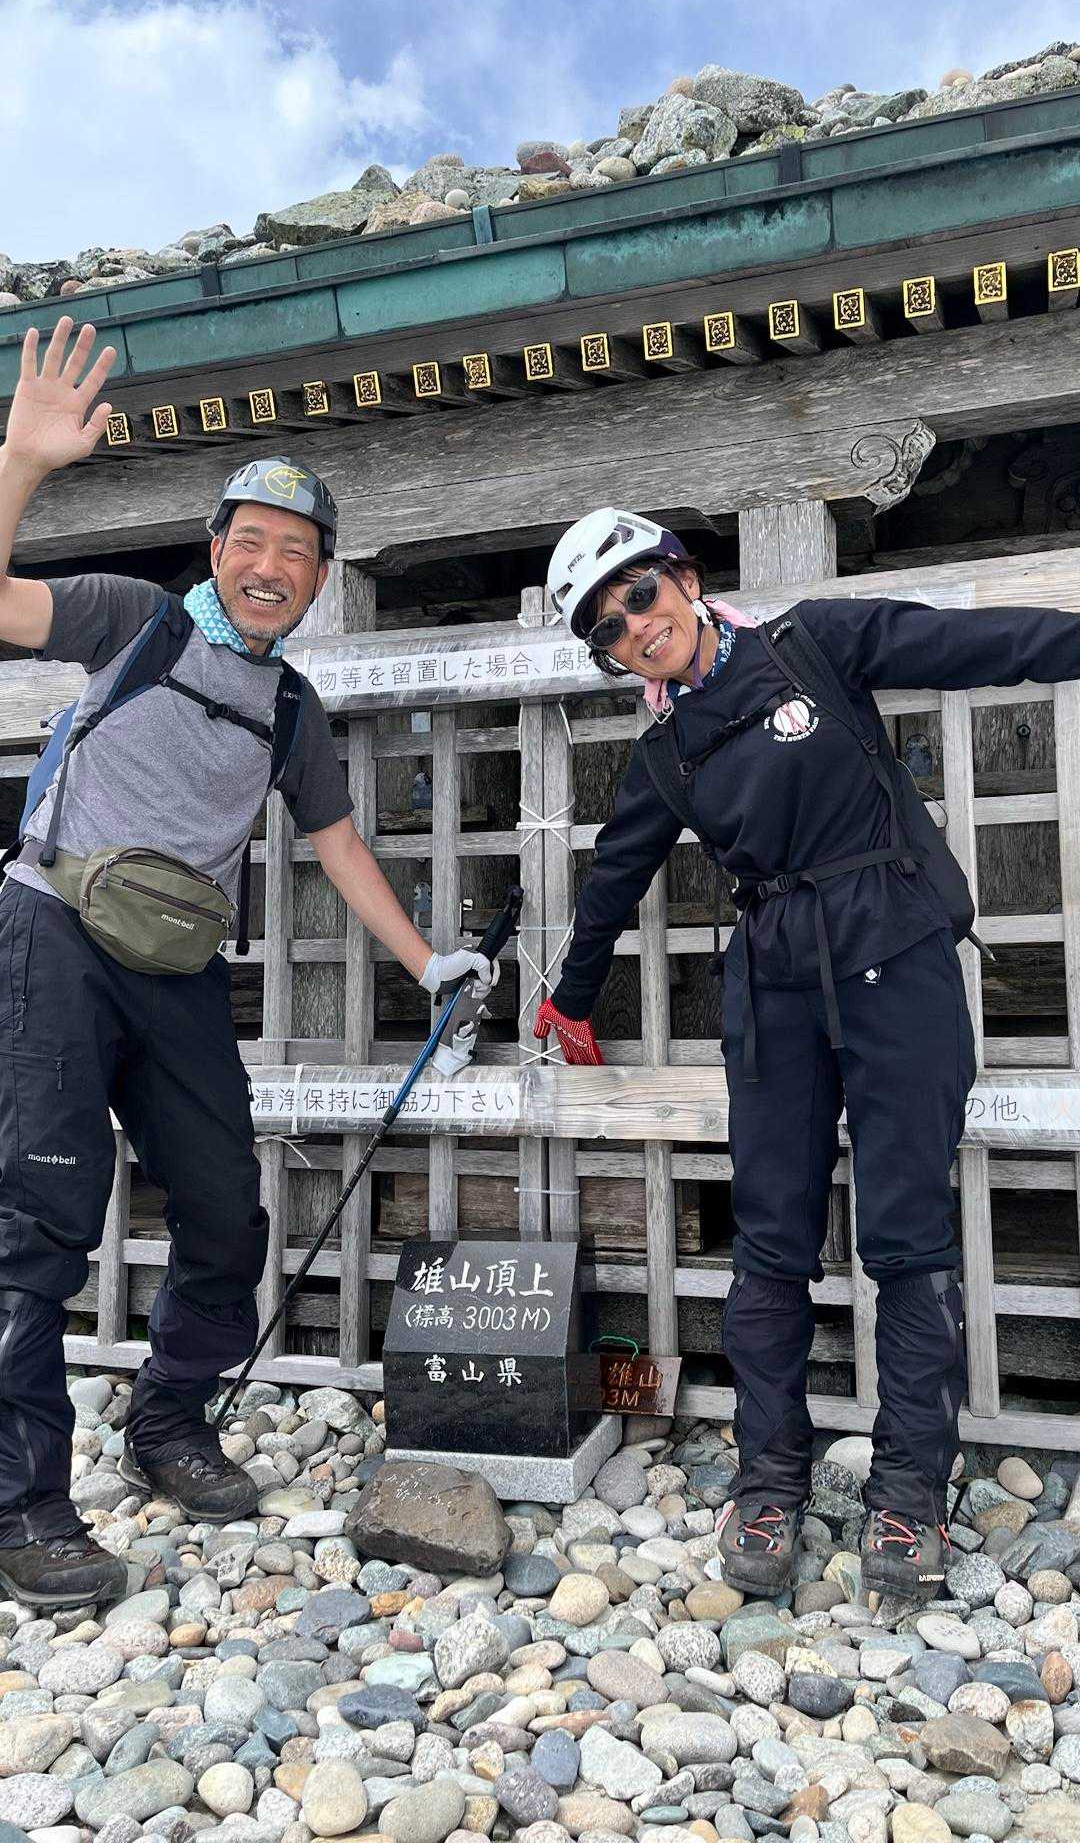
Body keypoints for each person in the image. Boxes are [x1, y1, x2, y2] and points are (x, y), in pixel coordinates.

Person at [0, 319, 493, 1607]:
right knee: (40, 1218)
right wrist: (22, 462)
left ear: (320, 580)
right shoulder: (137, 621)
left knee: (225, 1207)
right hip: (53, 932)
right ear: (216, 549)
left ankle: (168, 1422)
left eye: (299, 553)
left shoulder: (287, 706)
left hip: (174, 968)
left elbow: (339, 846)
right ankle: (23, 1506)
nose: (273, 569)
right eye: (253, 543)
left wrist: (427, 964)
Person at [534, 506, 1080, 1600]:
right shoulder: (665, 752)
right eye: (608, 628)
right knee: (771, 1240)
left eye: (640, 593)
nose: (637, 626)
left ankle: (909, 1494)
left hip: (897, 952)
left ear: (685, 578)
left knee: (907, 1233)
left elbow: (972, 644)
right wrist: (569, 1001)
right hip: (773, 980)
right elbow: (614, 877)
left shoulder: (812, 643)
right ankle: (769, 1480)